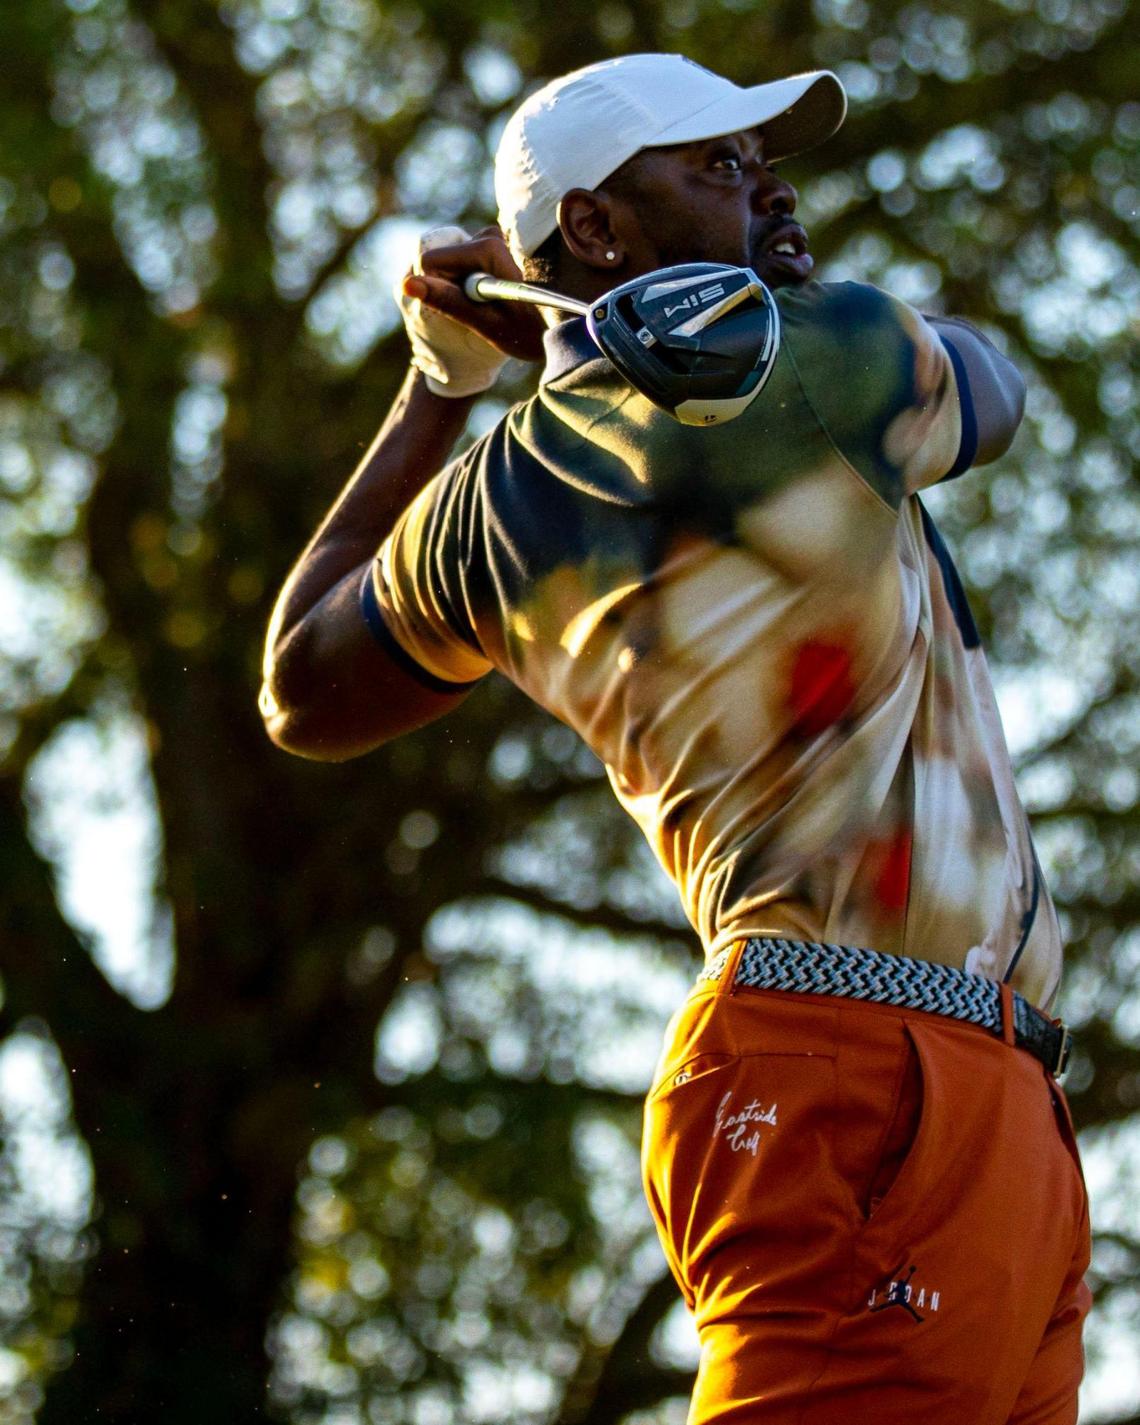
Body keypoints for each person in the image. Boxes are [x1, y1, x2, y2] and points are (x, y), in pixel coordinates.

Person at [260, 53, 1091, 1425]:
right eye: (719, 167)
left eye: (763, 163)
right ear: (595, 227)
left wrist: (438, 386)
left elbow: (302, 681)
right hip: (861, 1074)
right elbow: (992, 388)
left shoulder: (499, 498)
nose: (772, 188)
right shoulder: (823, 352)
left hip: (977, 1099)